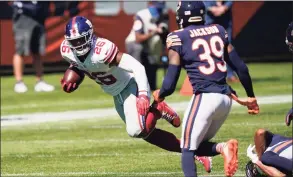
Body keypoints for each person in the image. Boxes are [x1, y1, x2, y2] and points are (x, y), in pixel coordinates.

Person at [60, 16, 212, 172]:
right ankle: (195, 153)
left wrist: (143, 95)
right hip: (115, 93)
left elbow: (137, 67)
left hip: (129, 86)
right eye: (74, 41)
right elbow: (80, 64)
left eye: (80, 40)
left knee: (137, 130)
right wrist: (75, 74)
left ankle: (157, 108)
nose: (77, 45)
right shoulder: (67, 50)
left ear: (90, 35)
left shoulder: (102, 50)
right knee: (147, 134)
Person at [152, 1, 259, 177]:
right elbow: (241, 68)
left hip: (205, 98)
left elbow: (170, 83)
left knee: (186, 149)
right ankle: (223, 147)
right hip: (225, 100)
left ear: (182, 16)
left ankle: (223, 147)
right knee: (196, 145)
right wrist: (251, 97)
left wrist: (160, 94)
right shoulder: (218, 30)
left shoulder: (177, 37)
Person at [125, 1, 169, 91]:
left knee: (153, 59)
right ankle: (134, 85)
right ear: (151, 4)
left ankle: (151, 85)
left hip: (149, 44)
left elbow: (165, 35)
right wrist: (153, 32)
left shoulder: (164, 15)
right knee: (138, 52)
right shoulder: (141, 15)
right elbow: (138, 38)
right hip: (135, 43)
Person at [12, 1, 55, 93]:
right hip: (24, 16)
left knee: (37, 51)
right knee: (20, 51)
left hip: (39, 16)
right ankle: (19, 82)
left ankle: (39, 81)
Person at [204, 1, 239, 83]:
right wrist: (210, 7)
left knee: (227, 45)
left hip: (225, 16)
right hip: (209, 15)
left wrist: (225, 7)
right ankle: (209, 74)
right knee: (208, 45)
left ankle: (230, 74)